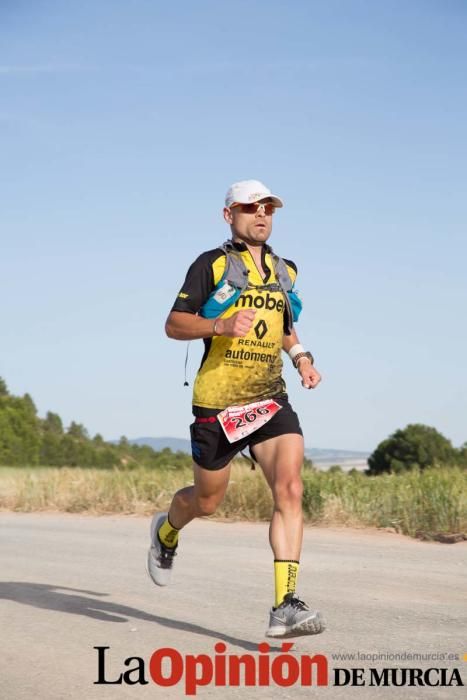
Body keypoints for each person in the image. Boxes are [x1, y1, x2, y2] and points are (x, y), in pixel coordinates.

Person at [147, 179, 325, 637]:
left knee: (290, 488)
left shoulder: (286, 271)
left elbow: (285, 326)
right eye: (250, 207)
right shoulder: (211, 265)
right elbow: (174, 324)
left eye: (268, 207)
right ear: (230, 215)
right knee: (206, 501)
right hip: (218, 401)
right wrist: (221, 323)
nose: (261, 214)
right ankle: (167, 530)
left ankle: (285, 605)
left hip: (269, 397)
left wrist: (302, 358)